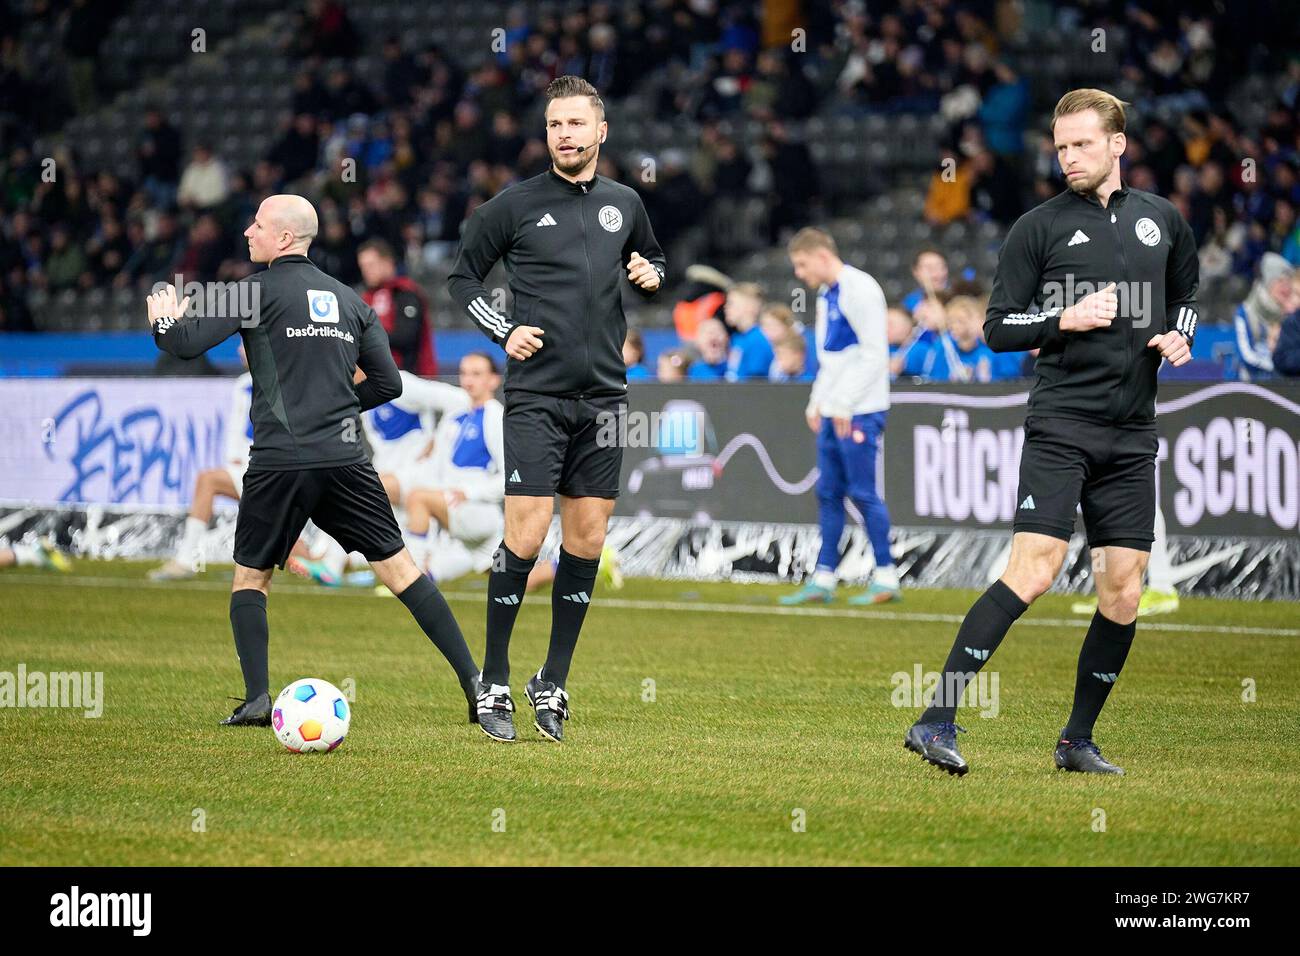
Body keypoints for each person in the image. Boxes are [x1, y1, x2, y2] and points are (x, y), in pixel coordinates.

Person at [905, 89, 1199, 777]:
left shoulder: (1162, 220)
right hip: (1062, 424)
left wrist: (1176, 336)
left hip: (1133, 433)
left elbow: (1186, 293)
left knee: (1123, 592)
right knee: (1032, 573)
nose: (1068, 157)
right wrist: (1062, 320)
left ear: (1118, 144)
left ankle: (1075, 742)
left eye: (1082, 144)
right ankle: (935, 719)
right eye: (1061, 146)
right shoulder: (1037, 227)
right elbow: (997, 328)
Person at [149, 193, 481, 728]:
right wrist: (338, 406)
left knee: (251, 577)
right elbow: (389, 382)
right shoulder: (350, 300)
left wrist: (162, 320)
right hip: (345, 459)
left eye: (256, 225)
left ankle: (257, 698)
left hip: (280, 460)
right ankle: (476, 684)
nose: (247, 233)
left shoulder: (251, 292)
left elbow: (185, 345)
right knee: (401, 571)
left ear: (283, 237)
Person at [447, 76, 665, 742]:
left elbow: (649, 256)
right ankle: (494, 681)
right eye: (554, 125)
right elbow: (461, 278)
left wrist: (652, 273)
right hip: (536, 396)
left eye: (575, 123)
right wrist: (501, 330)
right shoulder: (513, 206)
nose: (564, 134)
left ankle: (554, 681)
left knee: (589, 539)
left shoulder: (625, 203)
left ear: (601, 132)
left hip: (605, 395)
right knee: (526, 533)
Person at [780, 227, 900, 606]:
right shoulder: (827, 295)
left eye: (801, 264)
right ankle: (824, 578)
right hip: (837, 409)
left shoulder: (860, 289)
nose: (800, 273)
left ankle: (886, 577)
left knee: (862, 493)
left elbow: (874, 354)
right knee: (828, 492)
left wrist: (845, 403)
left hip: (859, 410)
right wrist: (819, 400)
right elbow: (832, 358)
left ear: (820, 256)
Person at [402, 352, 506, 584]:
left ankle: (412, 580)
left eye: (477, 374)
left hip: (478, 511)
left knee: (418, 498)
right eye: (464, 374)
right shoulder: (456, 416)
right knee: (510, 582)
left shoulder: (495, 416)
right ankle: (559, 567)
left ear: (494, 380)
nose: (468, 380)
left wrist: (469, 493)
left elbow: (509, 477)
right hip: (458, 510)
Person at [358, 238, 438, 375]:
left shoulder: (406, 292)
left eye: (371, 265)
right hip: (377, 375)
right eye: (363, 267)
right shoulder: (364, 297)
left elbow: (406, 336)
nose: (366, 271)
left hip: (412, 375)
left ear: (388, 263)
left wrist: (365, 337)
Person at [1232, 252, 1297, 380]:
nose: (1285, 287)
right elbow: (1247, 355)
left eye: (1288, 281)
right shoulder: (1245, 312)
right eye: (1279, 280)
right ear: (1268, 282)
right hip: (1252, 385)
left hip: (1287, 385)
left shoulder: (1292, 314)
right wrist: (1278, 365)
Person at [722, 282, 774, 380]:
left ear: (750, 306)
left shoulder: (757, 340)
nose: (725, 307)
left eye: (731, 303)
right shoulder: (737, 338)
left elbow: (755, 383)